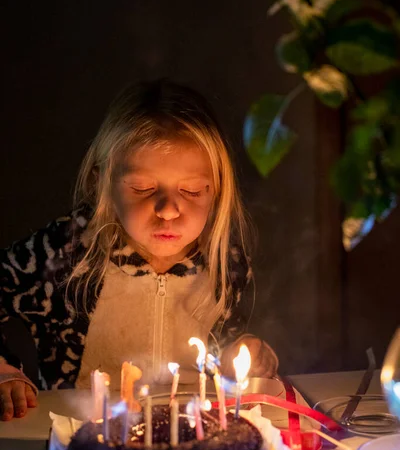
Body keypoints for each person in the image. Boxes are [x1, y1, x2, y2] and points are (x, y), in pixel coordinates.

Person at [0, 79, 278, 421]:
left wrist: (243, 350)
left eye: (192, 191)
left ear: (216, 189)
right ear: (101, 182)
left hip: (186, 436)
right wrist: (4, 372)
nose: (168, 209)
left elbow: (220, 342)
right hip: (79, 437)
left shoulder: (225, 261)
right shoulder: (64, 253)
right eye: (142, 188)